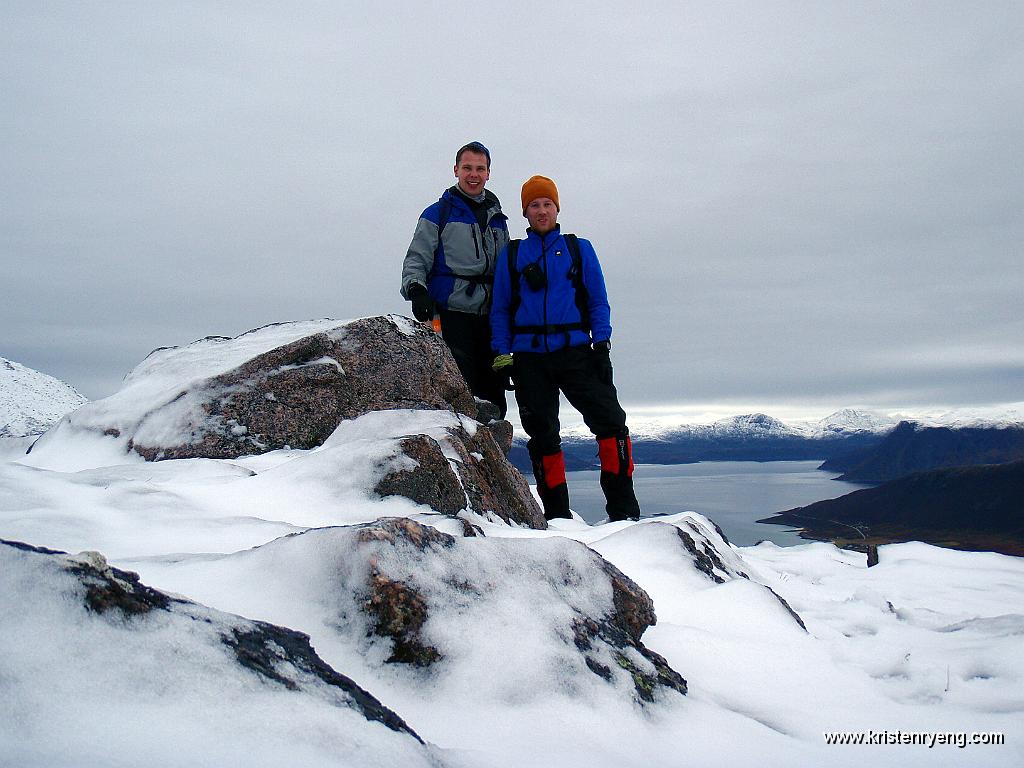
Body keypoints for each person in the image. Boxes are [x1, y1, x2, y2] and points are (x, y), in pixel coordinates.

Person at [490, 175, 641, 522]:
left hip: (576, 352)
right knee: (543, 436)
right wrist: (503, 354)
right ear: (525, 212)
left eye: (547, 204)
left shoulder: (578, 248)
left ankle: (624, 513)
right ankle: (557, 517)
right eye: (534, 205)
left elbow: (598, 301)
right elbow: (500, 309)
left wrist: (601, 344)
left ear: (557, 208)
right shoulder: (512, 254)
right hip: (529, 358)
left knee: (611, 422)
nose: (541, 211)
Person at [401, 141, 509, 418]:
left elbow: (506, 267)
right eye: (467, 168)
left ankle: (491, 458)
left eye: (480, 169)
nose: (473, 175)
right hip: (451, 314)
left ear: (488, 173)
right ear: (456, 170)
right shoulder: (437, 213)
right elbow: (417, 257)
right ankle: (462, 457)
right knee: (461, 390)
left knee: (494, 395)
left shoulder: (498, 218)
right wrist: (416, 290)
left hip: (490, 318)